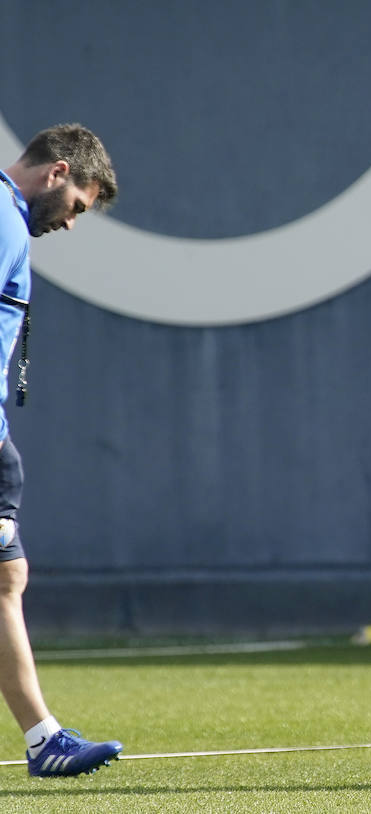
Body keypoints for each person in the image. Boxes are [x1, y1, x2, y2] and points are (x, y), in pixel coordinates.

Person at [0, 124, 122, 776]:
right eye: (78, 205)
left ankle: (43, 737)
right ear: (57, 173)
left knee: (5, 577)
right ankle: (44, 739)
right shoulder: (5, 220)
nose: (72, 223)